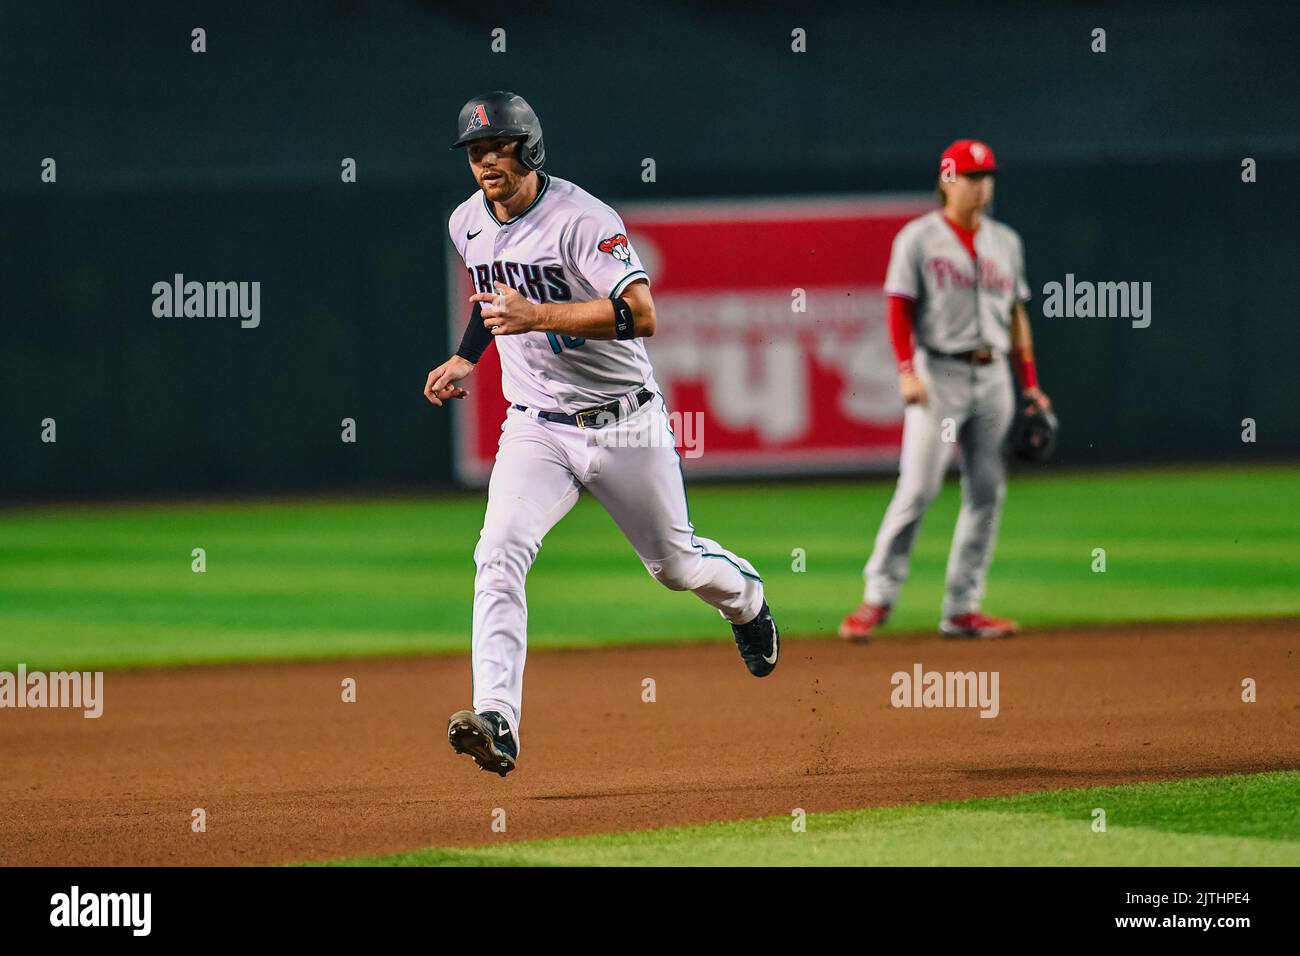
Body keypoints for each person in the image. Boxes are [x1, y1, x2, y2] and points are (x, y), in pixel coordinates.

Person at [424, 91, 779, 777]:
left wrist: (539, 315)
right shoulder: (466, 221)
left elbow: (641, 314)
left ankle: (749, 599)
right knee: (497, 551)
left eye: (496, 146)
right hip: (535, 428)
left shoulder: (581, 219)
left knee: (674, 568)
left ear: (528, 147)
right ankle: (496, 717)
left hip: (624, 422)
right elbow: (492, 301)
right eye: (473, 151)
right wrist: (468, 355)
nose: (484, 161)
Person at [839, 139, 1051, 642]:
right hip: (941, 375)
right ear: (948, 180)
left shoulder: (1007, 242)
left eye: (988, 176)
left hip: (994, 373)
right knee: (917, 490)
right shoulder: (918, 238)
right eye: (973, 176)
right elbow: (898, 308)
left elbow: (1017, 316)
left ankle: (962, 607)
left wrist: (1032, 386)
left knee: (987, 493)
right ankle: (877, 598)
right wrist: (906, 370)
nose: (983, 185)